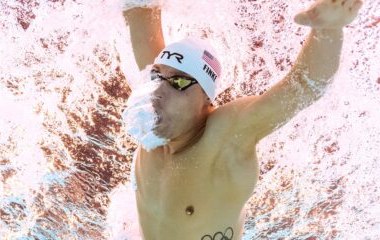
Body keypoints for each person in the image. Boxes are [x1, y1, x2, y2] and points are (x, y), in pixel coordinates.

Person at [121, 0, 362, 239]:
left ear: (207, 99)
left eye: (178, 82)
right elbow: (139, 10)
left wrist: (329, 30)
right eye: (156, 76)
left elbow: (304, 86)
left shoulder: (224, 140)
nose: (158, 89)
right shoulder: (155, 103)